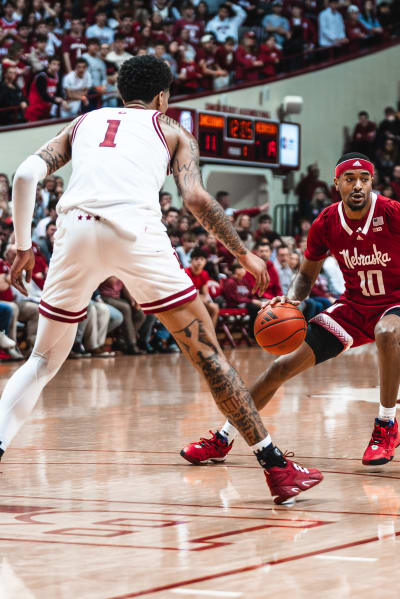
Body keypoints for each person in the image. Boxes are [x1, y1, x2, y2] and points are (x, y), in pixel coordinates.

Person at [0, 55, 321, 505]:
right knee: (209, 358)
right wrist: (243, 252)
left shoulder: (84, 122)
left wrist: (21, 243)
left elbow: (25, 174)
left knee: (42, 362)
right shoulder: (171, 130)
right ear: (163, 97)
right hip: (136, 233)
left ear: (119, 92)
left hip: (73, 230)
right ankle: (276, 468)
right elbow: (195, 198)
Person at [181, 152, 400, 467]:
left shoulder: (394, 213)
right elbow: (306, 274)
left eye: (364, 178)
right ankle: (224, 437)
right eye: (350, 179)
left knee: (384, 333)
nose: (358, 185)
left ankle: (386, 425)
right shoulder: (325, 222)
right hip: (351, 308)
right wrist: (291, 299)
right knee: (279, 368)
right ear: (337, 184)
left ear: (372, 182)